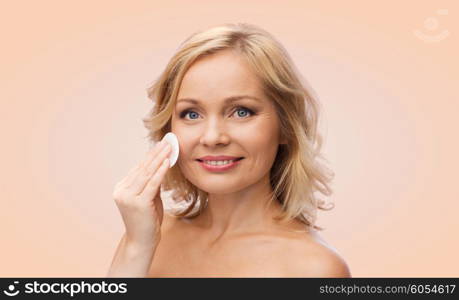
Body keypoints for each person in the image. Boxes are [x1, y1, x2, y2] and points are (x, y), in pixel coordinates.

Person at [107, 23, 351, 277]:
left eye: (241, 112)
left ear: (286, 126)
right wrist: (136, 248)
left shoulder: (314, 268)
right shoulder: (149, 236)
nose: (212, 137)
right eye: (191, 114)